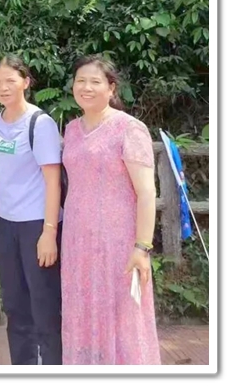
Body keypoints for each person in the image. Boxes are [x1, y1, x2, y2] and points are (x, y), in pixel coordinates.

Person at [61, 55, 160, 365]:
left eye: (95, 81)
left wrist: (142, 247)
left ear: (111, 88)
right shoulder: (71, 129)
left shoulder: (129, 129)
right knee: (82, 311)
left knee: (123, 315)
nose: (86, 87)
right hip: (77, 240)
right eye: (80, 81)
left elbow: (146, 192)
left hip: (118, 241)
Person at [0, 55, 63, 365]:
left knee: (44, 306)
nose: (3, 87)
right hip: (6, 223)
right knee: (15, 305)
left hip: (36, 224)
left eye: (10, 80)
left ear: (26, 83)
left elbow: (52, 179)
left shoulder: (39, 124)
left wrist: (49, 233)